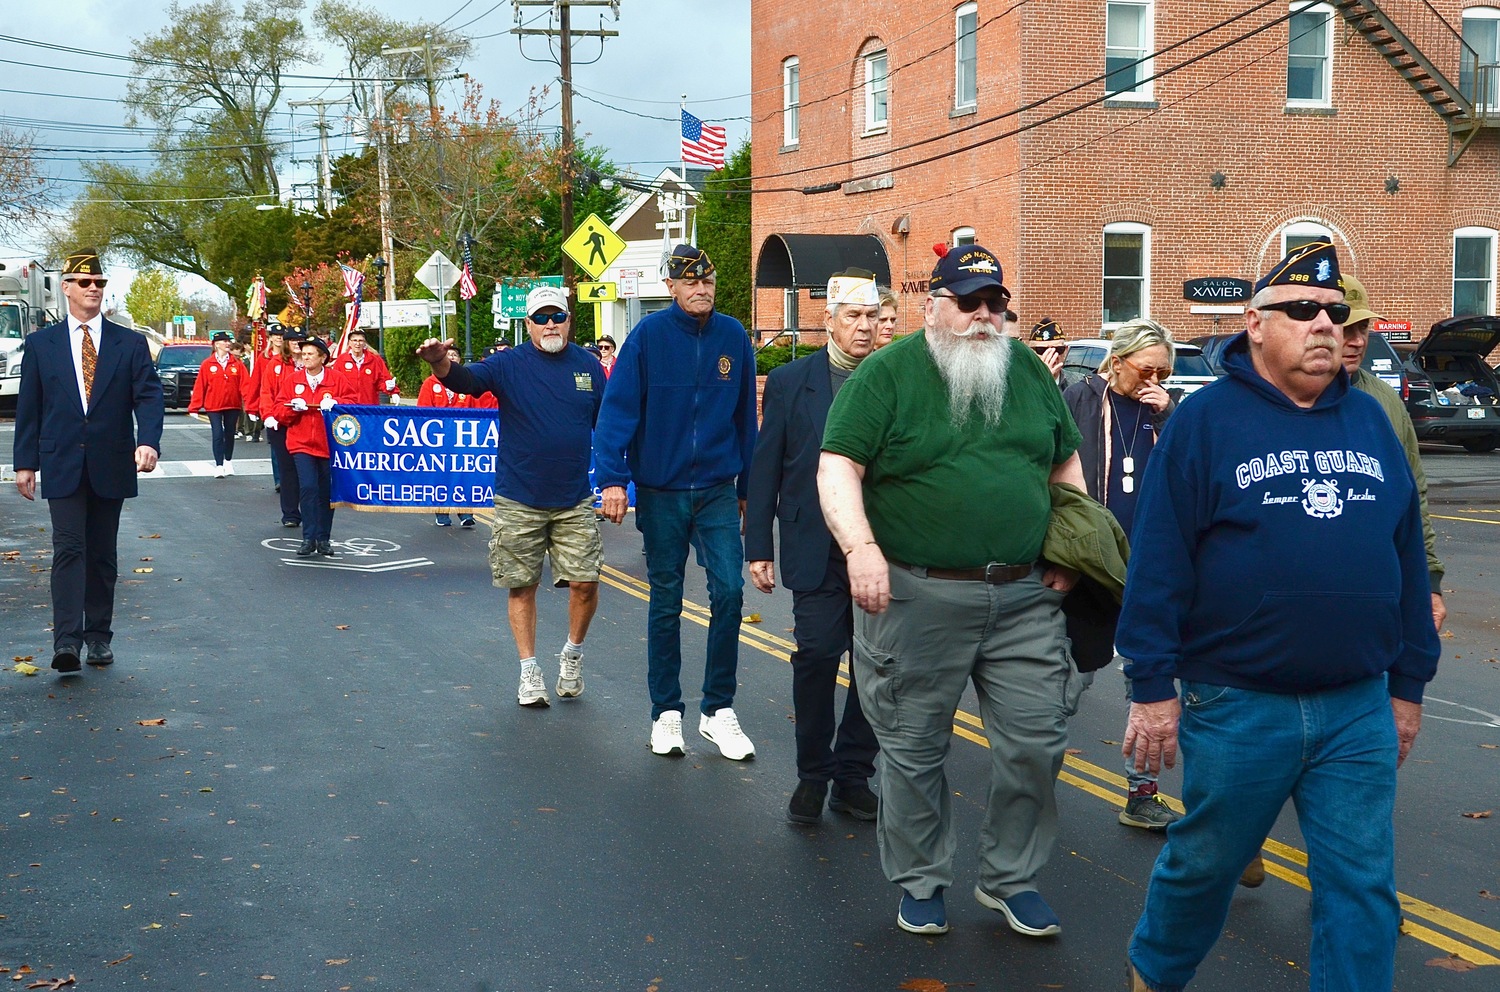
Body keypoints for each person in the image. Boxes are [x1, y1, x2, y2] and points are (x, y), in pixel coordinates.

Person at [1119, 242, 1441, 992]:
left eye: (1336, 312)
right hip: (1236, 702)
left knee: (1362, 888)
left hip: (1357, 706)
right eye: (1301, 310)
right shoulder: (1206, 424)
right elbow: (1159, 561)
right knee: (1205, 866)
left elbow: (1404, 563)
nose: (1323, 324)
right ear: (1254, 323)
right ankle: (1155, 975)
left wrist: (1408, 686)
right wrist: (1151, 685)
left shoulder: (1369, 422)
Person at [818, 242, 1086, 938]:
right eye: (970, 302)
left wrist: (1072, 548)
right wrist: (862, 549)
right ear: (932, 306)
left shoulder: (1026, 370)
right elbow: (837, 467)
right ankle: (921, 879)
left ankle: (1009, 879)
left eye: (996, 302)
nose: (985, 316)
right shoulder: (887, 375)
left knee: (1038, 741)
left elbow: (1063, 463)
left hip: (1025, 597)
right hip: (916, 594)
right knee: (912, 749)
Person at [1231, 270, 1450, 890]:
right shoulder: (1236, 410)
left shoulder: (1380, 407)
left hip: (1360, 651)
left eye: (1356, 326)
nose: (1344, 337)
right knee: (1257, 773)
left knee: (1351, 824)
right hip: (1250, 665)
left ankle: (1358, 896)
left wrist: (1427, 580)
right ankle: (1246, 834)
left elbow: (1412, 506)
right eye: (1332, 322)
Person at [594, 244, 759, 760]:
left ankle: (718, 710)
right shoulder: (648, 337)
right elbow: (616, 411)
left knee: (729, 591)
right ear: (671, 287)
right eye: (690, 282)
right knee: (665, 601)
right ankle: (667, 713)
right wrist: (614, 479)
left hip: (716, 489)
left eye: (708, 281)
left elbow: (744, 422)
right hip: (661, 490)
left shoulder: (733, 336)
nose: (701, 289)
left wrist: (750, 490)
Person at [416, 286, 607, 707]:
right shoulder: (508, 364)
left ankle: (572, 654)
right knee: (521, 586)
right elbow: (467, 380)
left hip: (574, 498)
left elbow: (607, 426)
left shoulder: (589, 368)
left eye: (557, 315)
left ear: (569, 319)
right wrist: (439, 363)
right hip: (520, 497)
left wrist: (615, 479)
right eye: (541, 317)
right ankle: (529, 672)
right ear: (528, 324)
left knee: (585, 583)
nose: (550, 323)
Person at [746, 269, 882, 824]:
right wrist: (759, 543)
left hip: (880, 546)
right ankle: (812, 775)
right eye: (852, 316)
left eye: (872, 316)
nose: (865, 327)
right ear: (828, 321)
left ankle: (852, 775)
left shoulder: (895, 378)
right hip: (812, 543)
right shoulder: (790, 381)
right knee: (819, 655)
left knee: (876, 667)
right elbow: (766, 466)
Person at [12, 246, 164, 674]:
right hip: (61, 460)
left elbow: (149, 396)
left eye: (99, 283)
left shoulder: (129, 343)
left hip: (111, 460)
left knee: (101, 553)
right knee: (68, 549)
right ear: (66, 289)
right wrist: (25, 462)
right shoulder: (41, 344)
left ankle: (98, 636)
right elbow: (30, 406)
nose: (93, 289)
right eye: (85, 283)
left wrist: (149, 441)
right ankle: (66, 642)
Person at [1061, 318, 1181, 831]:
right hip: (1089, 566)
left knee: (1149, 687)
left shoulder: (1168, 414)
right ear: (1117, 360)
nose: (1153, 379)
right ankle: (1033, 775)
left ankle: (1141, 792)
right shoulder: (1078, 399)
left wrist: (1167, 419)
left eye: (1164, 372)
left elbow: (1188, 476)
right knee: (1070, 680)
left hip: (1147, 567)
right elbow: (1050, 477)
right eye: (1146, 368)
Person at [275, 336, 351, 557]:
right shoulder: (292, 380)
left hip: (329, 444)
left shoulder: (337, 379)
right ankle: (308, 538)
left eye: (310, 354)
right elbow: (279, 411)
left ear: (322, 357)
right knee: (308, 487)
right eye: (303, 354)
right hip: (301, 444)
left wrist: (337, 404)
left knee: (326, 492)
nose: (305, 358)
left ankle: (323, 538)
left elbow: (354, 404)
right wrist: (292, 409)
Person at [417, 346, 477, 528]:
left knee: (464, 475)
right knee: (440, 475)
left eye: (454, 355)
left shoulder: (467, 383)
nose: (451, 358)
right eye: (447, 355)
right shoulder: (430, 383)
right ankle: (442, 513)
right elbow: (422, 412)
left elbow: (477, 410)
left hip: (463, 438)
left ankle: (466, 513)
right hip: (438, 439)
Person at [187, 330, 251, 478]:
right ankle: (219, 465)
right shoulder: (207, 364)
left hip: (232, 405)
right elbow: (200, 386)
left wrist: (249, 405)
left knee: (229, 433)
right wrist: (194, 407)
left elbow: (245, 385)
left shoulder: (237, 364)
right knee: (217, 433)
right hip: (213, 406)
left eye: (228, 341)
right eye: (224, 341)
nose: (227, 343)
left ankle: (228, 461)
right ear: (216, 344)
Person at [260, 326, 304, 527]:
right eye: (293, 340)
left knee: (306, 470)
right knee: (287, 469)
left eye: (300, 340)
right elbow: (267, 392)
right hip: (279, 422)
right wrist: (268, 415)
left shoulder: (310, 363)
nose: (297, 343)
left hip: (304, 422)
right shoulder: (275, 365)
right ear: (286, 343)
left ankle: (311, 511)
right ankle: (290, 514)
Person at [335, 329, 398, 405]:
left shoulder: (374, 359)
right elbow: (335, 382)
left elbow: (382, 380)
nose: (357, 344)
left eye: (361, 341)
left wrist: (392, 390)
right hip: (347, 406)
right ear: (349, 343)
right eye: (355, 340)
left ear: (364, 343)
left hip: (369, 406)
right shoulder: (341, 360)